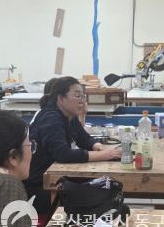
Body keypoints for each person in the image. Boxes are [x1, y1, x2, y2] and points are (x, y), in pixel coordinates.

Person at [24, 76, 122, 218]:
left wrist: (99, 147)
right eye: (77, 96)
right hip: (40, 187)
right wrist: (106, 155)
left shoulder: (68, 116)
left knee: (106, 187)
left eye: (83, 96)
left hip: (58, 179)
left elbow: (84, 138)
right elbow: (63, 154)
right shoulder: (51, 118)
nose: (82, 100)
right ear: (61, 98)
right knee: (99, 192)